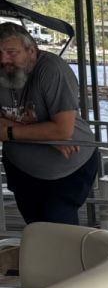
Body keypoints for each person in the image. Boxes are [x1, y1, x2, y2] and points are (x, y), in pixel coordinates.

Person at [0, 22, 99, 225]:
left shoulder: (51, 69)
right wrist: (45, 136)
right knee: (36, 229)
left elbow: (63, 129)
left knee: (58, 229)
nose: (3, 59)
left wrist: (8, 133)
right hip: (22, 171)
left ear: (32, 52)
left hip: (69, 167)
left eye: (11, 52)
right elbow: (56, 132)